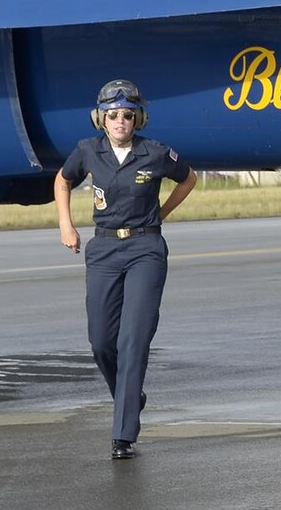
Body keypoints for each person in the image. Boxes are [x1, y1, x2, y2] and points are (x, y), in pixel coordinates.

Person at [55, 80, 197, 459]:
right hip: (102, 249)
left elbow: (188, 179)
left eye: (128, 115)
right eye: (113, 115)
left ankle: (123, 434)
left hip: (144, 249)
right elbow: (63, 180)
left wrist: (162, 214)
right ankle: (131, 396)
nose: (120, 121)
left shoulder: (155, 153)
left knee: (133, 340)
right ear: (101, 118)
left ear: (139, 119)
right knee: (101, 341)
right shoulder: (87, 151)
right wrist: (66, 225)